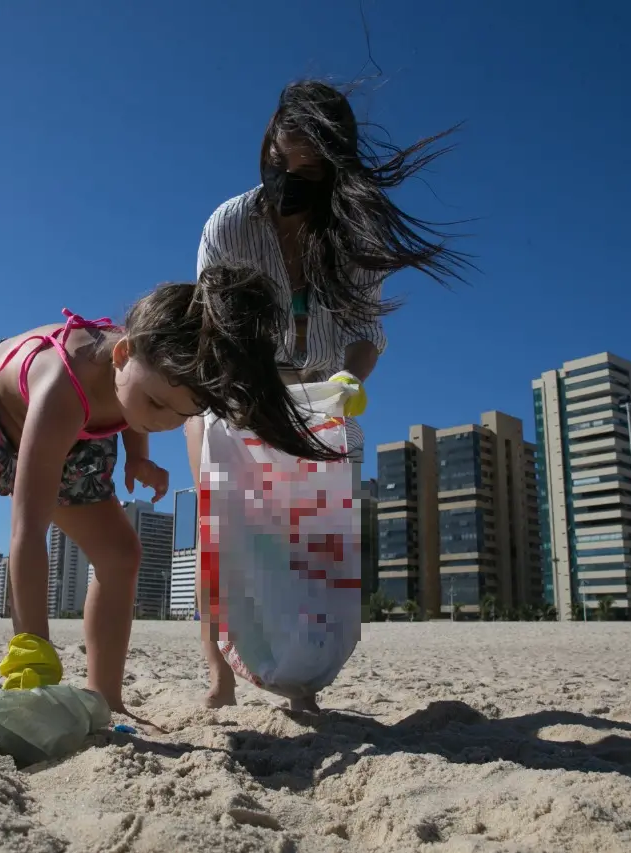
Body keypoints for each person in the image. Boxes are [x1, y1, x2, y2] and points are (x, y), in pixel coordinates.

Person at [0, 265, 344, 742]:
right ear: (123, 352)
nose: (162, 421)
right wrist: (31, 653)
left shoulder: (143, 378)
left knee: (121, 555)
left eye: (179, 416)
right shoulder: (63, 382)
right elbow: (27, 532)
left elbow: (137, 410)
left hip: (80, 437)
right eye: (157, 405)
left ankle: (106, 697)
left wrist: (139, 458)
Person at [186, 80, 470, 709]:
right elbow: (216, 330)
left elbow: (367, 332)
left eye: (309, 171)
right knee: (223, 533)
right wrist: (249, 399)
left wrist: (347, 379)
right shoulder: (229, 225)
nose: (290, 179)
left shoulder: (352, 237)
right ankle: (220, 674)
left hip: (320, 398)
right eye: (282, 161)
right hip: (237, 390)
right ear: (267, 146)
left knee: (309, 546)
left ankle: (300, 679)